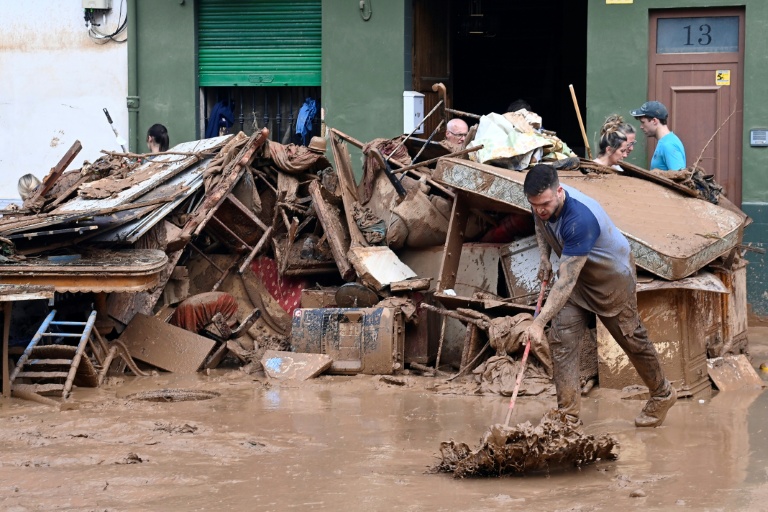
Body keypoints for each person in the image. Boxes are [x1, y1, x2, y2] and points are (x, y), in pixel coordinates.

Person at [522, 164, 676, 428]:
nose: (540, 209)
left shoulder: (580, 219)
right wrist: (545, 257)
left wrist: (538, 322)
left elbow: (564, 283)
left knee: (632, 341)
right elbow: (540, 223)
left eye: (545, 203)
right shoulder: (541, 203)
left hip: (611, 281)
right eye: (534, 204)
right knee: (562, 340)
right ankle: (567, 417)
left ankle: (662, 393)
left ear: (559, 192)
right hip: (578, 281)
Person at [630, 101, 686, 171]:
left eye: (643, 122)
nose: (641, 126)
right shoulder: (665, 142)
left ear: (654, 121)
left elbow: (679, 178)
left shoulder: (668, 145)